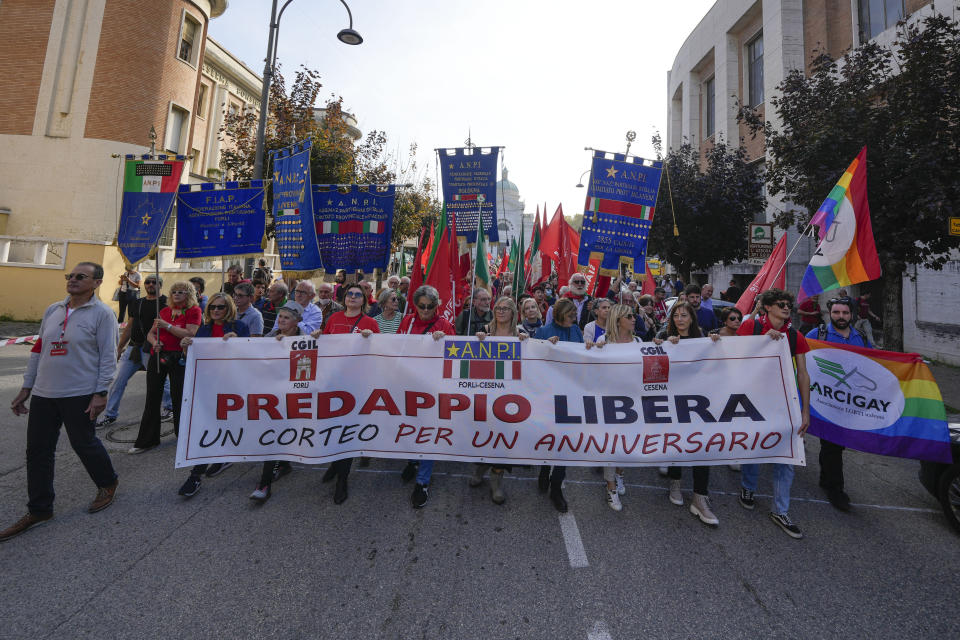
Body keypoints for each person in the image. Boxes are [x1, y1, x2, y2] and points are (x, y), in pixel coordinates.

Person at [1, 262, 120, 542]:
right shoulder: (54, 309)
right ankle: (40, 509)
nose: (73, 280)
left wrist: (101, 392)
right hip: (45, 392)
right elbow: (39, 350)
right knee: (38, 451)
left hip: (79, 392)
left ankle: (107, 482)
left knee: (83, 442)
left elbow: (108, 356)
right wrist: (26, 387)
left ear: (96, 283)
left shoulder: (103, 314)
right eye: (70, 275)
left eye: (81, 276)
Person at [737, 288, 811, 538]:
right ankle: (748, 487)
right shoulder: (751, 329)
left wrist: (805, 410)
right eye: (781, 304)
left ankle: (780, 509)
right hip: (754, 401)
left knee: (786, 454)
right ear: (767, 307)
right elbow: (733, 357)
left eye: (788, 304)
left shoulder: (794, 336)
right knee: (755, 447)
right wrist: (762, 343)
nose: (786, 308)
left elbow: (802, 373)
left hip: (784, 402)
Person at [652, 301, 721, 525]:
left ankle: (700, 498)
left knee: (702, 447)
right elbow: (654, 362)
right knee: (677, 443)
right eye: (676, 316)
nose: (680, 319)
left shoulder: (704, 339)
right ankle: (675, 482)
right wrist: (663, 345)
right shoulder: (664, 334)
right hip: (673, 400)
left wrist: (715, 345)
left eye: (684, 315)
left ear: (692, 318)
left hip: (700, 402)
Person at [175, 293, 251, 497]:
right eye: (212, 307)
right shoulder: (205, 329)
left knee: (225, 424)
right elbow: (195, 356)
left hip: (232, 385)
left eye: (221, 307)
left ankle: (221, 457)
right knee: (207, 427)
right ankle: (196, 474)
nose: (216, 311)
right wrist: (185, 349)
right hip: (208, 385)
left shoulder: (239, 327)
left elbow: (251, 354)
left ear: (229, 309)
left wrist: (239, 342)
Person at [310, 284, 379, 504]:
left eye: (358, 295)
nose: (353, 297)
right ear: (345, 297)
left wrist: (372, 340)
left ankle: (342, 478)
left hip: (356, 384)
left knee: (348, 430)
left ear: (364, 300)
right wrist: (318, 335)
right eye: (350, 294)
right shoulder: (333, 318)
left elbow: (380, 354)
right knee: (332, 426)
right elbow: (326, 347)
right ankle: (334, 463)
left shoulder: (371, 323)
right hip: (333, 381)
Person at [805, 297, 871, 511]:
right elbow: (802, 361)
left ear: (852, 314)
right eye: (836, 313)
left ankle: (826, 478)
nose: (840, 317)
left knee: (836, 443)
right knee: (832, 443)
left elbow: (872, 363)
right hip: (824, 399)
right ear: (829, 313)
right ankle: (836, 490)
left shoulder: (860, 337)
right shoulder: (817, 335)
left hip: (849, 400)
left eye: (844, 313)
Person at [397, 285, 456, 508]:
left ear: (436, 305)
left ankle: (422, 481)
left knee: (428, 432)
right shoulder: (407, 322)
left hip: (432, 388)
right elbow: (396, 347)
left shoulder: (445, 325)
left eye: (430, 306)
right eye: (421, 306)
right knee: (409, 425)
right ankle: (412, 461)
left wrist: (444, 342)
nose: (425, 310)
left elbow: (454, 357)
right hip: (408, 384)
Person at [468, 297, 528, 504]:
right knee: (484, 436)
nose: (501, 312)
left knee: (503, 439)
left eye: (505, 309)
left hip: (510, 396)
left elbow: (533, 359)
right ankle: (480, 468)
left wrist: (529, 343)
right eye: (498, 308)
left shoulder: (520, 333)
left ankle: (496, 483)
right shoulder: (484, 330)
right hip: (486, 393)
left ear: (513, 312)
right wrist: (476, 340)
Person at [128, 281, 201, 453]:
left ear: (189, 294)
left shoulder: (194, 311)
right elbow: (151, 333)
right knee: (152, 397)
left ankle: (183, 438)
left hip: (180, 357)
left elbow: (191, 333)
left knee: (179, 397)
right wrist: (155, 342)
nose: (176, 294)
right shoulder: (164, 311)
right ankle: (147, 440)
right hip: (159, 356)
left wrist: (167, 326)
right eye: (174, 291)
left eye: (181, 292)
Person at [248, 301, 306, 503]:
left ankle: (283, 464)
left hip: (296, 395)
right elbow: (251, 354)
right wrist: (231, 341)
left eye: (286, 317)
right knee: (273, 436)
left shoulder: (307, 338)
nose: (281, 320)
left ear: (297, 321)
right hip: (273, 396)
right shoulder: (270, 337)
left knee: (287, 434)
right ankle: (264, 484)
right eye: (280, 316)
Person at [98, 275, 173, 427]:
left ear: (160, 285)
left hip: (152, 348)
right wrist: (119, 347)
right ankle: (110, 415)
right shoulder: (138, 302)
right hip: (133, 347)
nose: (151, 284)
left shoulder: (166, 303)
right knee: (119, 381)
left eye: (155, 282)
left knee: (159, 380)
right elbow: (130, 325)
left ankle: (170, 407)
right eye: (148, 282)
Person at [588, 304, 642, 511]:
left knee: (626, 443)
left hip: (632, 401)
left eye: (634, 316)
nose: (633, 319)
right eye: (629, 316)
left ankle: (619, 475)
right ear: (618, 319)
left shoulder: (638, 341)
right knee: (612, 443)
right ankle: (610, 486)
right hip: (609, 400)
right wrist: (593, 351)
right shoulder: (604, 341)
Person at [533, 298, 584, 512]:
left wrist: (590, 347)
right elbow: (533, 359)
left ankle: (556, 486)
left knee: (565, 439)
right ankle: (545, 468)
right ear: (560, 314)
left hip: (570, 393)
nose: (574, 317)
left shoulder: (577, 331)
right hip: (547, 393)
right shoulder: (543, 332)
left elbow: (583, 356)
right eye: (571, 313)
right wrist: (546, 347)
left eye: (575, 314)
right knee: (549, 435)